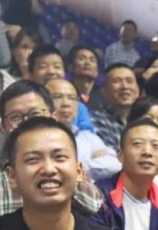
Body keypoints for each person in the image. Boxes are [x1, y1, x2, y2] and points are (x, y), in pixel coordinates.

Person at [0, 80, 103, 215]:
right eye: (15, 117)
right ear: (4, 126)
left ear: (53, 117)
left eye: (35, 114)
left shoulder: (64, 159)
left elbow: (94, 204)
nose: (26, 123)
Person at [92, 120, 158, 230]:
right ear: (120, 155)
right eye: (137, 144)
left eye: (156, 146)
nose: (147, 152)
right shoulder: (98, 197)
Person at [45, 77, 120, 181]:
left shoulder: (87, 138)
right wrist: (90, 164)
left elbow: (116, 164)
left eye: (72, 98)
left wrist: (76, 168)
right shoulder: (37, 137)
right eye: (57, 97)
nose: (66, 104)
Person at [91, 63, 140, 150]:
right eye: (117, 81)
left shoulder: (144, 119)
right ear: (104, 91)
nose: (125, 86)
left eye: (129, 81)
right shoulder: (95, 119)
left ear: (138, 90)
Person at [68, 45, 105, 112]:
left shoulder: (103, 96)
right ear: (71, 67)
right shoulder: (65, 92)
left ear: (97, 71)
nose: (87, 63)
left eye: (92, 60)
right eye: (82, 59)